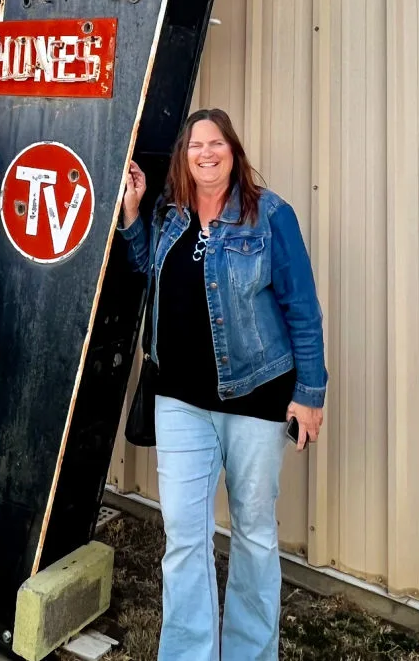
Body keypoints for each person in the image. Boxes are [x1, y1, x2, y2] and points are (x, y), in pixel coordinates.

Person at [119, 108, 327, 661]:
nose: (205, 153)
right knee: (184, 535)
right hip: (179, 401)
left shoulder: (270, 216)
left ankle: (250, 653)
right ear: (184, 158)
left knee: (254, 533)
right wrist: (133, 215)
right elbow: (147, 273)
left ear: (233, 152)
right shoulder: (169, 214)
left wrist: (310, 395)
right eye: (195, 146)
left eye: (216, 144)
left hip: (257, 399)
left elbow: (302, 309)